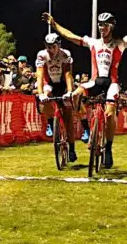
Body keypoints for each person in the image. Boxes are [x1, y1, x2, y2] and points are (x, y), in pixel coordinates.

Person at [42, 11, 127, 168]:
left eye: (105, 25)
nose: (102, 27)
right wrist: (54, 24)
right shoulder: (93, 43)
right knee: (74, 95)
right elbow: (71, 36)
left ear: (111, 26)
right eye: (100, 24)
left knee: (109, 114)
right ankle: (86, 128)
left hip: (112, 83)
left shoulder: (120, 43)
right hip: (94, 81)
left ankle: (108, 149)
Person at [35, 33, 77, 162]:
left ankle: (72, 148)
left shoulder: (65, 54)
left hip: (63, 83)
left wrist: (69, 91)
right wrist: (41, 93)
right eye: (48, 46)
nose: (50, 49)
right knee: (45, 96)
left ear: (58, 45)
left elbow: (68, 74)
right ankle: (49, 122)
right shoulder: (42, 55)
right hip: (50, 83)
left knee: (68, 118)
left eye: (53, 46)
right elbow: (40, 76)